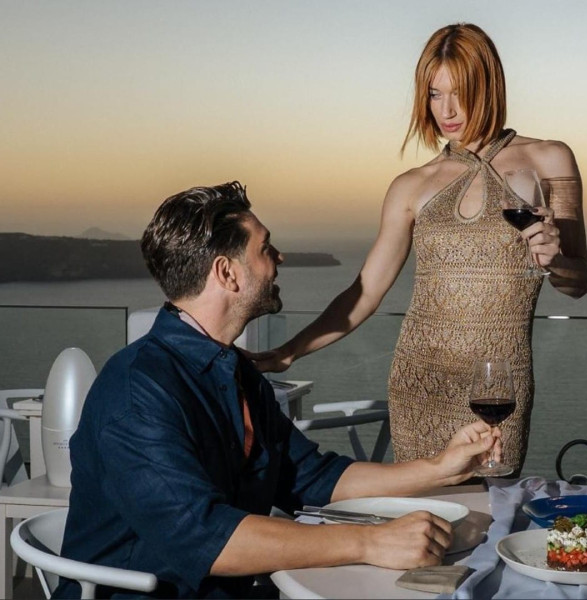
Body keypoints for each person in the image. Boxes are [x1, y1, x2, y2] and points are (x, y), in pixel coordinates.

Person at [54, 181, 500, 599]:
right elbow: (208, 537)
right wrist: (370, 541)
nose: (279, 257)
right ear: (227, 273)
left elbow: (313, 478)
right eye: (265, 248)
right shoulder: (139, 391)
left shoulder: (234, 370)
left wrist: (441, 468)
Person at [251, 23, 587, 475]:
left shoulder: (549, 159)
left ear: (489, 87)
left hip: (498, 386)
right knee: (424, 511)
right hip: (421, 382)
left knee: (489, 502)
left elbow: (578, 282)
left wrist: (555, 261)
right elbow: (366, 291)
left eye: (460, 93)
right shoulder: (411, 185)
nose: (446, 110)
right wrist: (288, 352)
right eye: (434, 94)